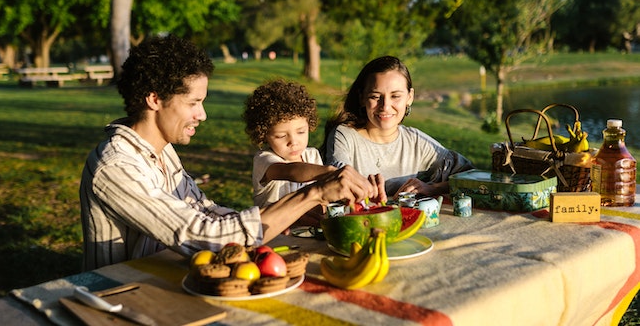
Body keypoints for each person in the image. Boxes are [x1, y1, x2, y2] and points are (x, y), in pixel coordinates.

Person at [79, 35, 376, 271]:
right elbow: (203, 236)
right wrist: (312, 194)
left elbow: (204, 210)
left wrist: (285, 218)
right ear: (155, 99)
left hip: (165, 274)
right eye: (194, 102)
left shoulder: (160, 150)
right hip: (123, 297)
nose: (203, 115)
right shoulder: (115, 166)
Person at [323, 55, 474, 199]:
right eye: (375, 96)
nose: (385, 106)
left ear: (410, 97)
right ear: (362, 98)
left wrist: (432, 188)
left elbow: (471, 176)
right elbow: (338, 181)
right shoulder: (344, 136)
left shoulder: (415, 142)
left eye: (395, 96)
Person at [243, 79, 338, 226]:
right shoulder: (264, 160)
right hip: (272, 235)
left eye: (301, 132)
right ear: (263, 135)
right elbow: (290, 171)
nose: (293, 142)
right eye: (281, 136)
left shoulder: (312, 156)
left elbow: (322, 200)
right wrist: (331, 173)